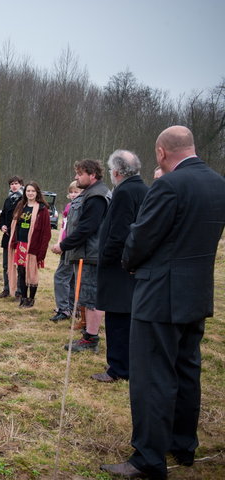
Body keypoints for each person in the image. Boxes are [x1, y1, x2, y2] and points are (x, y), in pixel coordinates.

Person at [101, 126, 225, 479]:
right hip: (197, 293)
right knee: (187, 371)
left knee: (153, 377)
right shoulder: (218, 183)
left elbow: (141, 238)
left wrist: (128, 262)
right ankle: (183, 444)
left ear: (160, 153)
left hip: (160, 296)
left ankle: (148, 458)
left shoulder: (168, 186)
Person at [91, 150, 148, 383]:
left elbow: (119, 231)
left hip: (119, 266)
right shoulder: (143, 189)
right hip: (133, 263)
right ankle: (126, 364)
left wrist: (105, 258)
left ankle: (118, 368)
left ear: (116, 172)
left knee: (117, 319)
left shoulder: (125, 192)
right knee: (127, 318)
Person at [51, 159, 109, 352]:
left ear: (92, 174)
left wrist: (64, 245)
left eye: (80, 173)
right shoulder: (90, 194)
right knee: (86, 296)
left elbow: (87, 228)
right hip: (85, 252)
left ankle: (91, 339)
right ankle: (88, 334)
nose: (76, 177)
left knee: (91, 297)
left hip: (91, 254)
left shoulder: (97, 197)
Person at [8, 181, 51, 308]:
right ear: (24, 192)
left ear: (37, 193)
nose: (30, 193)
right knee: (21, 271)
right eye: (28, 191)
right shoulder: (21, 206)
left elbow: (46, 233)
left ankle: (31, 299)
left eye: (33, 191)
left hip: (32, 246)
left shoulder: (42, 210)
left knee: (31, 273)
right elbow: (15, 224)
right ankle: (23, 297)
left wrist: (41, 251)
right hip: (20, 244)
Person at [49, 181, 81, 322]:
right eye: (71, 192)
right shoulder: (69, 207)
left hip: (73, 247)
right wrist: (59, 242)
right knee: (70, 276)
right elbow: (63, 227)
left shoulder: (80, 207)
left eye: (76, 192)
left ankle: (65, 308)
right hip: (65, 245)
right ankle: (70, 307)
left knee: (62, 276)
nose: (73, 195)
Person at [0, 176, 23, 298]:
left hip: (18, 237)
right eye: (12, 184)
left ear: (21, 185)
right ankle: (6, 288)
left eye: (16, 183)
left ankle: (19, 290)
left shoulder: (24, 199)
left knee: (18, 264)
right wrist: (2, 226)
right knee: (6, 264)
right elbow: (2, 216)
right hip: (7, 237)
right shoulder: (8, 199)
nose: (14, 186)